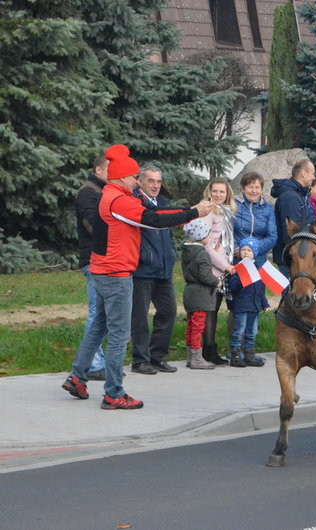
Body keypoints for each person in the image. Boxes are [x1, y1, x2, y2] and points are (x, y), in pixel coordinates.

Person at [62, 144, 213, 409]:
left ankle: (77, 376)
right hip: (116, 273)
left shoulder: (110, 193)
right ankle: (113, 393)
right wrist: (193, 213)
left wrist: (189, 210)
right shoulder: (118, 199)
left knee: (99, 327)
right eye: (134, 177)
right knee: (119, 334)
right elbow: (152, 219)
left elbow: (153, 212)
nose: (137, 181)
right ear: (121, 177)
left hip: (102, 269)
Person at [129, 164, 179, 375]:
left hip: (164, 268)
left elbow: (168, 233)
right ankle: (140, 360)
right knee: (139, 315)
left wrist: (171, 253)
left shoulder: (162, 203)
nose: (156, 185)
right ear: (140, 181)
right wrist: (143, 256)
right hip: (143, 269)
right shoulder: (134, 203)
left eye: (159, 181)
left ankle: (157, 357)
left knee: (169, 311)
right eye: (151, 181)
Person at [74, 154, 108, 381]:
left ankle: (98, 363)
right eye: (109, 170)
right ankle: (93, 365)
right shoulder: (88, 192)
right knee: (97, 314)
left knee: (102, 314)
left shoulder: (102, 192)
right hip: (93, 260)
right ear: (98, 170)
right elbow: (92, 227)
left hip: (104, 261)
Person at [199, 178, 237, 366]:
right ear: (209, 192)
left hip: (224, 266)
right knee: (210, 311)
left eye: (222, 192)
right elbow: (207, 245)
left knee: (214, 309)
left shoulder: (227, 212)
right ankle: (208, 350)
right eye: (215, 191)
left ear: (227, 193)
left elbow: (226, 240)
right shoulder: (208, 211)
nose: (218, 195)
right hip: (215, 266)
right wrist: (225, 265)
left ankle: (208, 348)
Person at [181, 218, 222, 370]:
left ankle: (191, 355)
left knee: (191, 325)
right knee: (198, 326)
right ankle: (197, 359)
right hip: (200, 294)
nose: (210, 237)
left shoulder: (187, 252)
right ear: (201, 236)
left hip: (189, 291)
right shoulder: (202, 254)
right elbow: (205, 275)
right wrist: (216, 281)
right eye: (208, 234)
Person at [226, 237, 268, 368]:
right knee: (239, 331)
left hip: (254, 305)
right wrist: (241, 279)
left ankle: (249, 354)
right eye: (243, 249)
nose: (245, 252)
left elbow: (260, 289)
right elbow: (232, 286)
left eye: (249, 250)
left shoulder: (257, 268)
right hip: (241, 305)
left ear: (254, 253)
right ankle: (235, 355)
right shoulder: (237, 268)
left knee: (252, 331)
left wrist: (264, 303)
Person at [271, 159, 315, 275]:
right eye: (312, 173)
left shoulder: (298, 194)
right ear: (303, 173)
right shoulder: (290, 197)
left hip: (297, 255)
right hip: (291, 257)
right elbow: (291, 231)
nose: (314, 177)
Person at [233, 172, 277, 268]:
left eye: (257, 187)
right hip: (236, 258)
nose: (254, 191)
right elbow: (226, 231)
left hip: (259, 260)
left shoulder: (268, 209)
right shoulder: (233, 205)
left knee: (257, 283)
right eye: (250, 187)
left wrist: (253, 248)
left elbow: (272, 237)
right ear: (243, 189)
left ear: (261, 190)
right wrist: (238, 248)